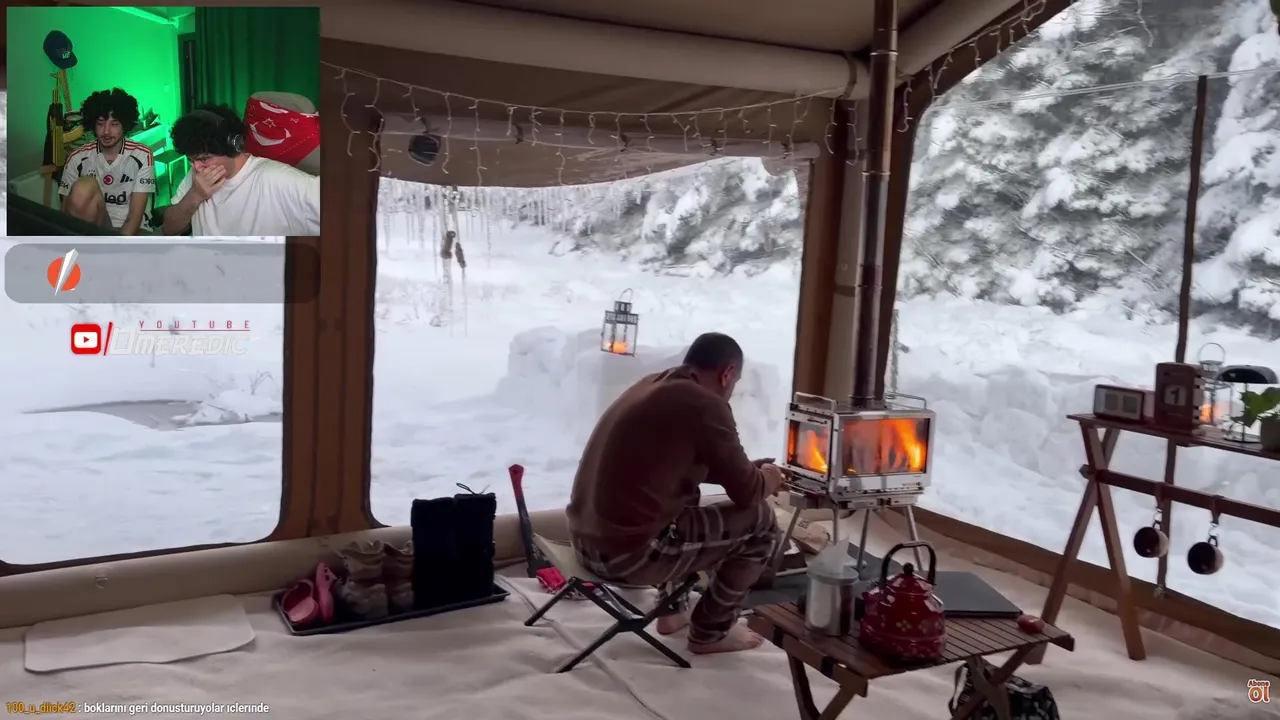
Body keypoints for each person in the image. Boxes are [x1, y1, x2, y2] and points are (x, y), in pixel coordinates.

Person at [567, 332, 787, 655]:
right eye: (735, 383)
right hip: (625, 557)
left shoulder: (655, 385)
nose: (732, 391)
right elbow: (749, 492)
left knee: (685, 494)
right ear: (727, 373)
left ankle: (673, 610)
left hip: (585, 543)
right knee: (762, 522)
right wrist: (771, 477)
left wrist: (746, 470)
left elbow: (676, 467)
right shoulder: (705, 404)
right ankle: (711, 632)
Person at [162, 104, 320, 237]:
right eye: (191, 160)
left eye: (205, 159)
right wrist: (195, 195)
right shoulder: (197, 177)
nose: (196, 168)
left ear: (234, 146)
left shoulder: (276, 179)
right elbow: (169, 229)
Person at [58, 88, 155, 235]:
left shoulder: (142, 154)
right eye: (100, 124)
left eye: (114, 124)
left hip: (132, 229)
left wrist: (116, 247)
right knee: (85, 186)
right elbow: (66, 211)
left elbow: (134, 218)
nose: (106, 131)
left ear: (124, 125)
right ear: (93, 125)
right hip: (95, 226)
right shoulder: (77, 158)